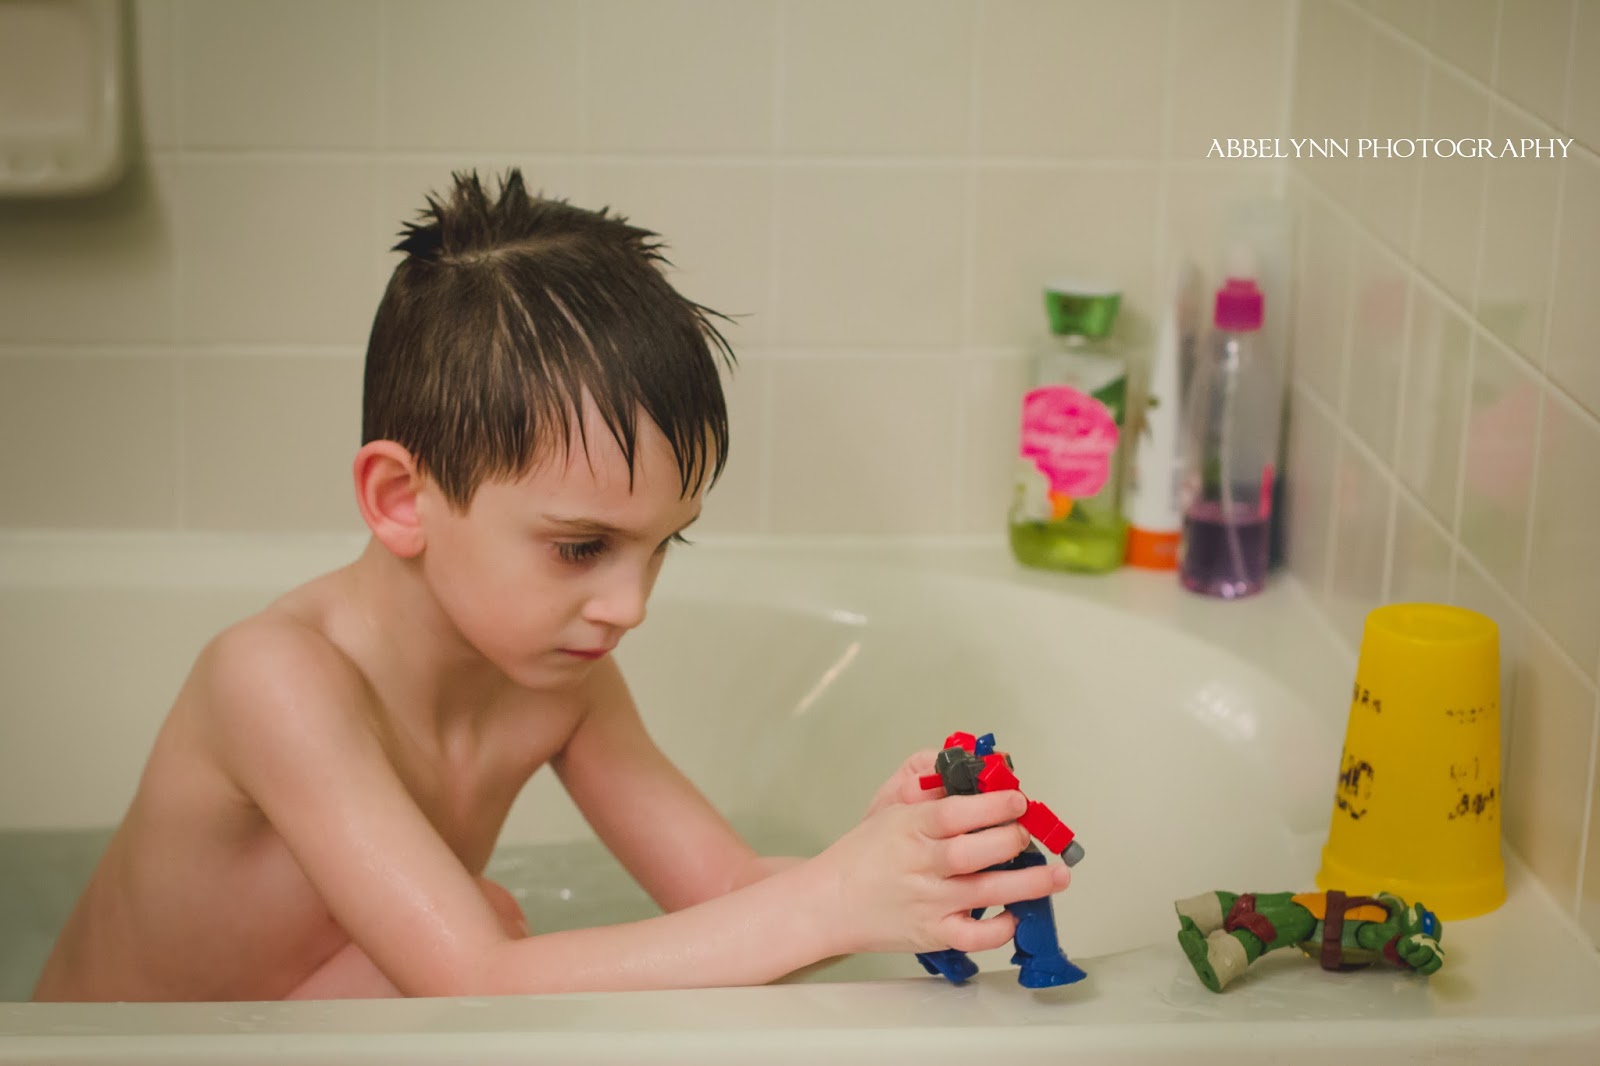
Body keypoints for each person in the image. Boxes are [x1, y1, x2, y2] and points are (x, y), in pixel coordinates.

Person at [33, 169, 1070, 1001]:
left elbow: (725, 891)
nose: (631, 604)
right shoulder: (274, 680)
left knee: (480, 929)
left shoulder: (558, 681)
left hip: (299, 1016)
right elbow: (471, 979)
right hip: (109, 1053)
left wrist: (880, 867)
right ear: (400, 499)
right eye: (581, 548)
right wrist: (830, 900)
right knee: (480, 940)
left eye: (662, 546)